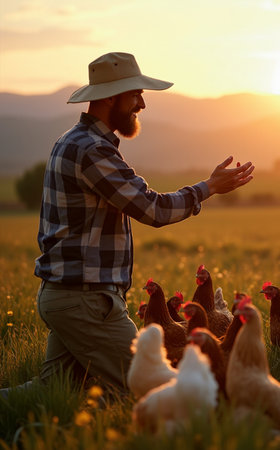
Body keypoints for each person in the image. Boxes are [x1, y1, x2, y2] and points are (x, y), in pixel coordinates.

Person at [2, 52, 254, 398]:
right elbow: (152, 208)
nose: (142, 104)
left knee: (53, 392)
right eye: (136, 94)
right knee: (153, 388)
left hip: (69, 295)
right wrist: (208, 187)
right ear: (110, 97)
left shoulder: (72, 142)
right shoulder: (92, 150)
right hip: (85, 300)